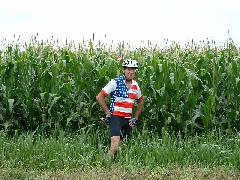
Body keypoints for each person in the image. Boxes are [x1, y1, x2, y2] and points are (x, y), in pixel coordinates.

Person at [96, 58, 144, 158]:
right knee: (115, 144)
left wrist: (136, 117)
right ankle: (105, 164)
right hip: (116, 118)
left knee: (124, 145)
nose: (131, 72)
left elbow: (140, 102)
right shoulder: (115, 82)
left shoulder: (136, 85)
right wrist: (108, 112)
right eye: (128, 69)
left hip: (128, 119)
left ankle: (117, 165)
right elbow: (99, 96)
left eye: (133, 70)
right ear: (124, 70)